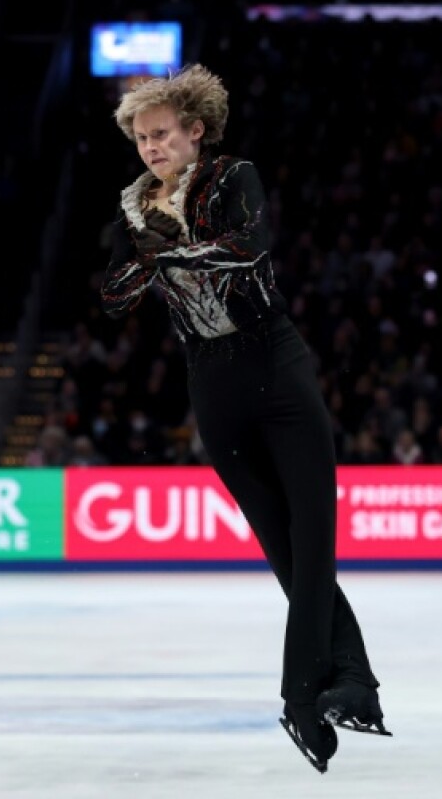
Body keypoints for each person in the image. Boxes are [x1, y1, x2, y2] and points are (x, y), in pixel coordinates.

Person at [101, 65, 387, 773]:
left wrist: (159, 255)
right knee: (284, 552)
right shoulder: (131, 210)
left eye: (162, 133)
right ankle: (352, 684)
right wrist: (153, 254)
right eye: (141, 137)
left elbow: (247, 251)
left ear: (195, 130)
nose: (151, 147)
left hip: (278, 369)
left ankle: (305, 699)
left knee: (315, 537)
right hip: (213, 385)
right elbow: (113, 294)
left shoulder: (235, 179)